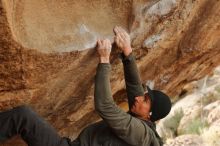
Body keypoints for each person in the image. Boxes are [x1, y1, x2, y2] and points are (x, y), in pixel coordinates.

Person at [0, 26, 171, 146]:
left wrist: (104, 60)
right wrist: (127, 51)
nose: (139, 97)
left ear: (149, 115)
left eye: (146, 100)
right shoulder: (142, 117)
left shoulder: (140, 135)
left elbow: (105, 106)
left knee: (23, 117)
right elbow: (134, 86)